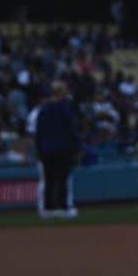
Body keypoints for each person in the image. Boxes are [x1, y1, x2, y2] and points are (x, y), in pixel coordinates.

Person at [35, 79, 81, 220]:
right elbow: (72, 131)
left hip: (46, 150)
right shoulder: (65, 108)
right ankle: (62, 208)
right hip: (63, 149)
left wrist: (39, 150)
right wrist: (76, 148)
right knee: (62, 180)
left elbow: (39, 132)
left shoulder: (44, 109)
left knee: (49, 180)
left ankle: (48, 209)